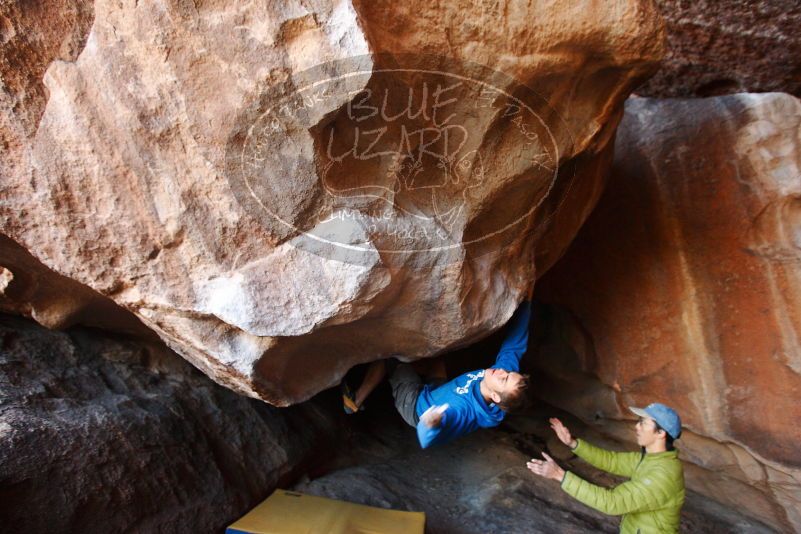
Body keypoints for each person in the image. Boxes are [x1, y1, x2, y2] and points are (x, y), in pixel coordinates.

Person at [342, 299, 532, 449]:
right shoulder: (500, 381)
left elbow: (426, 440)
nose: (502, 372)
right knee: (436, 356)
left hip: (416, 407)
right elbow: (514, 346)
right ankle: (420, 372)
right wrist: (527, 301)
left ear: (495, 396)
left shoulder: (462, 410)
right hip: (437, 390)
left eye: (504, 379)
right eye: (508, 373)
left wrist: (430, 423)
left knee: (392, 356)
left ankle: (355, 401)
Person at [526, 404, 685, 533]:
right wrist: (572, 443)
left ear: (661, 433)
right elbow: (611, 461)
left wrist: (559, 475)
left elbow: (612, 502)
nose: (637, 427)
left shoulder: (663, 475)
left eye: (643, 423)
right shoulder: (651, 459)